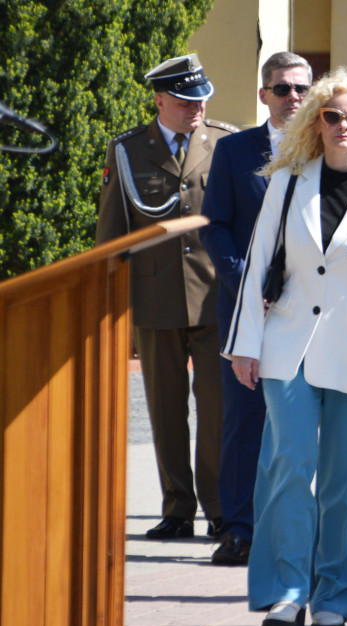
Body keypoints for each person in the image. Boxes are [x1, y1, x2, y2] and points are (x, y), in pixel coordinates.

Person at [222, 68, 347, 626]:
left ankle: (333, 599)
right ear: (316, 122)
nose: (344, 126)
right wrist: (243, 346)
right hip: (288, 347)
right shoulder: (286, 182)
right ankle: (286, 592)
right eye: (333, 116)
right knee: (287, 467)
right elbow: (258, 264)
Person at [96, 53, 235, 540]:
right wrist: (112, 308)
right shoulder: (128, 150)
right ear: (159, 99)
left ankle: (220, 505)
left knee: (217, 407)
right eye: (184, 100)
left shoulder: (224, 142)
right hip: (155, 299)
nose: (196, 107)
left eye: (201, 98)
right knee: (166, 407)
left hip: (215, 296)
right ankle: (177, 507)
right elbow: (113, 234)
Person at [200, 51, 312, 566]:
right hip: (247, 309)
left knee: (304, 420)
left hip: (312, 309)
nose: (293, 98)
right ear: (263, 94)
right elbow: (214, 223)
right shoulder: (233, 150)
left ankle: (295, 529)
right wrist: (244, 281)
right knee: (244, 419)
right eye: (282, 88)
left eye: (301, 89)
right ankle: (239, 527)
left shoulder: (328, 150)